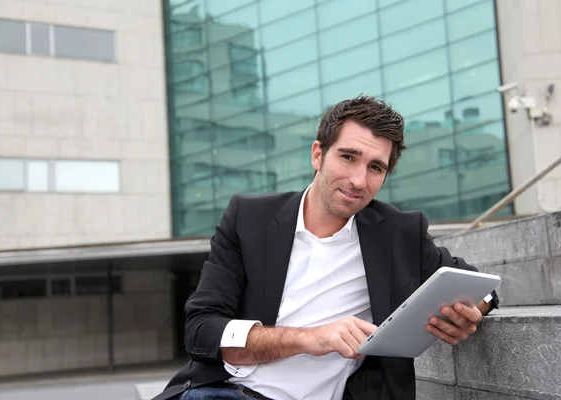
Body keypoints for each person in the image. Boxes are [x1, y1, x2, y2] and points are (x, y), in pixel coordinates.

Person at [154, 95, 498, 400]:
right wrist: (311, 338)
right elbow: (201, 330)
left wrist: (472, 311)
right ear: (318, 154)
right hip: (224, 391)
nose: (359, 181)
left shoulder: (398, 234)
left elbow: (477, 286)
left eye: (375, 167)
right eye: (349, 157)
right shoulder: (249, 218)